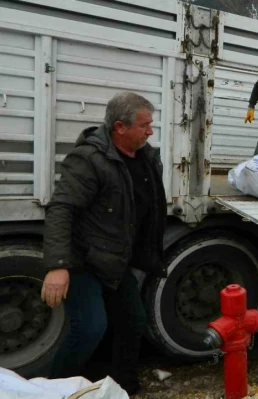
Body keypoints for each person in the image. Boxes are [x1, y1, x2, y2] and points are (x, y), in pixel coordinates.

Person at [42, 92, 167, 394]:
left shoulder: (147, 156)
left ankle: (125, 388)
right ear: (120, 127)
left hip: (115, 259)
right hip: (83, 260)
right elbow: (61, 208)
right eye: (145, 125)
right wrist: (57, 266)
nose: (150, 131)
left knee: (133, 323)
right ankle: (54, 389)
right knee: (90, 328)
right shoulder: (88, 159)